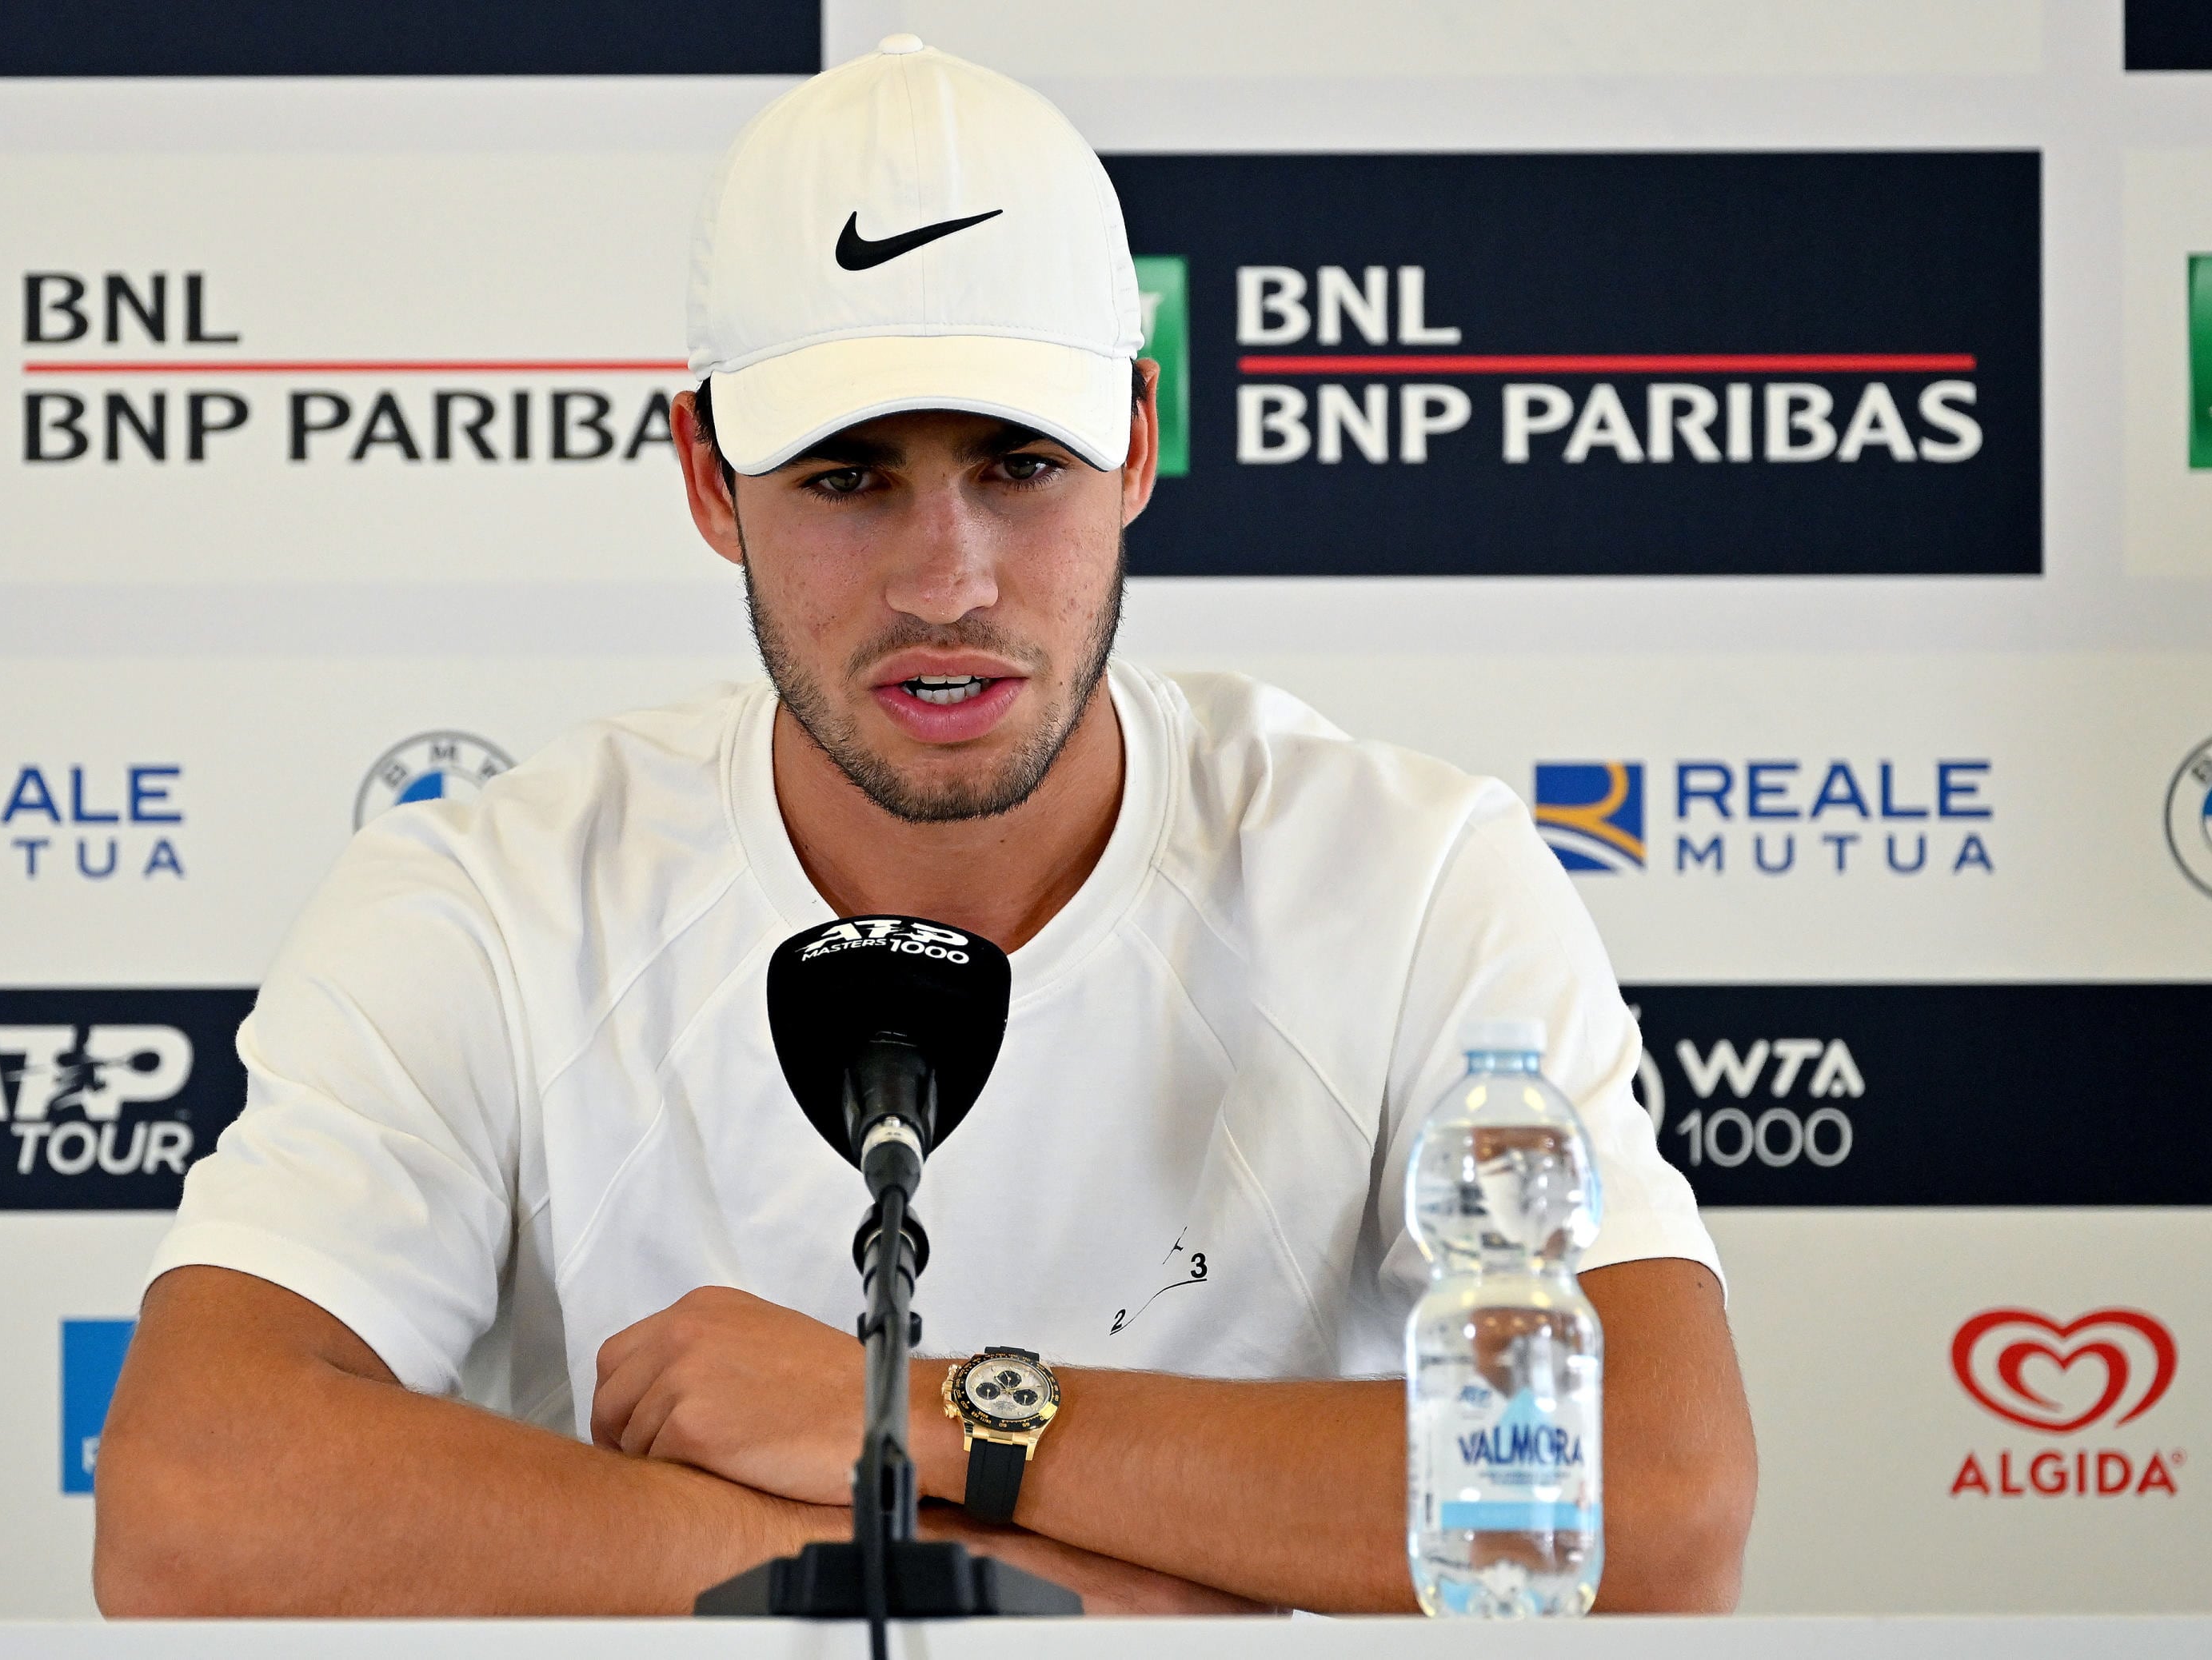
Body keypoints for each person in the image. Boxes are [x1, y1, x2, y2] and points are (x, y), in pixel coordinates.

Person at [94, 38, 1754, 1618]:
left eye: (1020, 463)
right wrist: (940, 1588)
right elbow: (187, 1505)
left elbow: (1660, 1505)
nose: (947, 581)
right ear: (704, 478)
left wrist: (941, 1422)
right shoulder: (492, 902)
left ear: (1139, 446)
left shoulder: (1405, 880)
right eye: (847, 477)